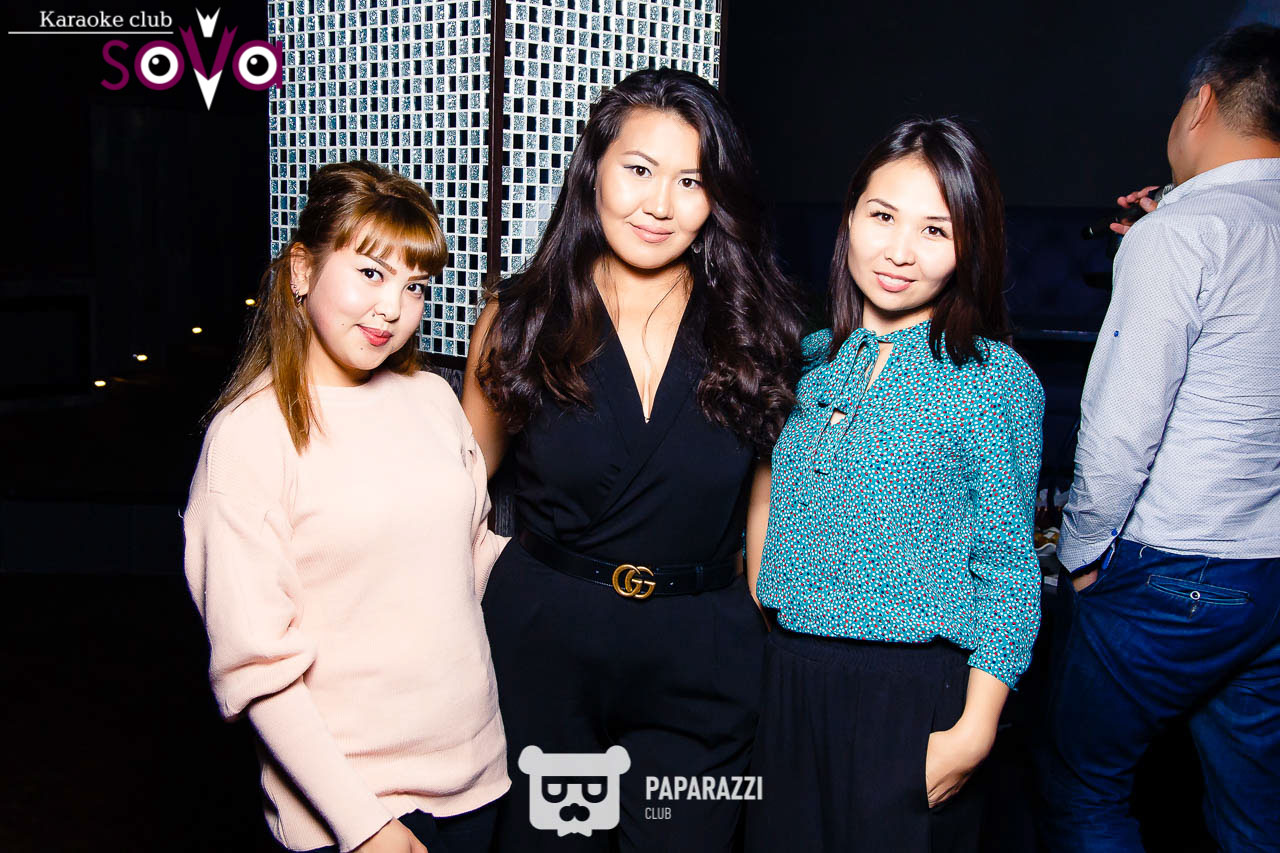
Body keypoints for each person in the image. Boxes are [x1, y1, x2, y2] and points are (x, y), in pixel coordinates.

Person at [461, 68, 804, 852]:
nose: (660, 204)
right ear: (594, 171)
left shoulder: (756, 329)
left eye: (691, 181)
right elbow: (459, 499)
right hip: (543, 649)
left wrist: (769, 643)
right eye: (640, 170)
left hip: (703, 661)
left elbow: (766, 512)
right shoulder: (519, 319)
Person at [183, 161, 509, 853]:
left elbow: (472, 560)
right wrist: (361, 823)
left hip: (478, 781)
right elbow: (256, 668)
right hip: (354, 811)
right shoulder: (249, 437)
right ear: (302, 270)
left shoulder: (432, 400)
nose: (393, 308)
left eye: (414, 286)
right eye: (370, 272)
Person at [747, 118, 1045, 853]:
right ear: (850, 217)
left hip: (912, 692)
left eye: (935, 230)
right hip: (788, 679)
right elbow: (766, 485)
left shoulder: (992, 378)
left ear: (970, 247)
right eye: (882, 216)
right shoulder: (811, 358)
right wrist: (764, 599)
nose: (900, 251)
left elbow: (1008, 566)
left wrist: (974, 731)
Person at [1040, 24, 1280, 853]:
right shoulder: (1196, 225)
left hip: (1174, 568)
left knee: (1083, 789)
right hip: (1269, 570)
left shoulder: (1182, 235)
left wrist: (1080, 555)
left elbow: (1121, 429)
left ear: (1202, 101)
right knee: (1256, 816)